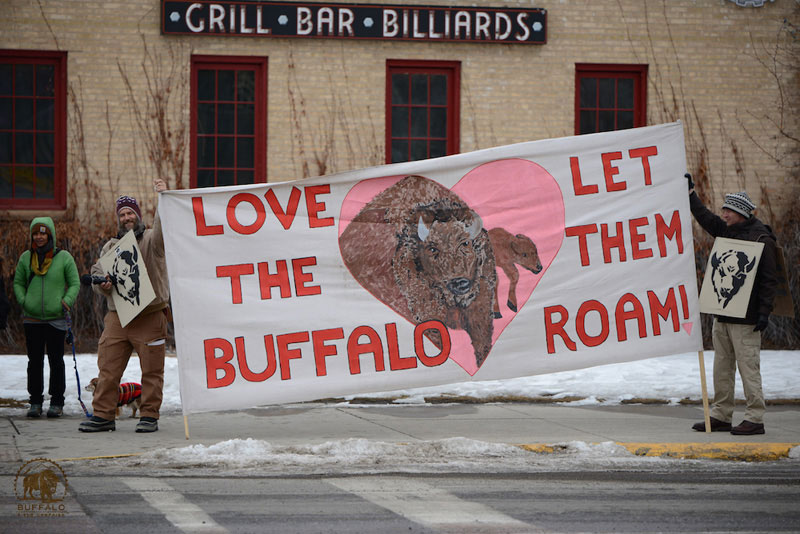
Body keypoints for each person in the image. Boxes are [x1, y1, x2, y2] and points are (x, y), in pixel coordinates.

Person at [687, 174, 778, 436]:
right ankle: (721, 415)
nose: (724, 214)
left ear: (741, 213)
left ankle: (755, 418)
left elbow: (769, 281)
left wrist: (764, 313)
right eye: (724, 210)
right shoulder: (727, 231)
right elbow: (705, 217)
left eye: (729, 211)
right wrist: (690, 194)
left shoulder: (761, 240)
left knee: (748, 368)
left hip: (747, 319)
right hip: (723, 315)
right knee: (722, 368)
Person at [79, 178, 170, 433]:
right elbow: (97, 274)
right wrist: (103, 285)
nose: (127, 217)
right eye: (122, 214)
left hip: (150, 316)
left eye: (130, 213)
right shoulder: (110, 247)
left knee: (152, 370)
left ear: (138, 215)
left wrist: (164, 199)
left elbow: (165, 228)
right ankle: (103, 415)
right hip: (117, 318)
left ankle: (149, 416)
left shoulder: (153, 240)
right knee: (108, 369)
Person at [13, 217, 80, 418]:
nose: (39, 237)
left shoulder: (64, 257)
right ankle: (35, 402)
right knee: (34, 362)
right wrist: (24, 301)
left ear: (50, 235)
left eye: (43, 233)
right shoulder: (26, 258)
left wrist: (67, 300)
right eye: (35, 233)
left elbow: (75, 283)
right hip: (32, 319)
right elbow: (18, 283)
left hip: (56, 319)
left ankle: (57, 402)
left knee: (56, 361)